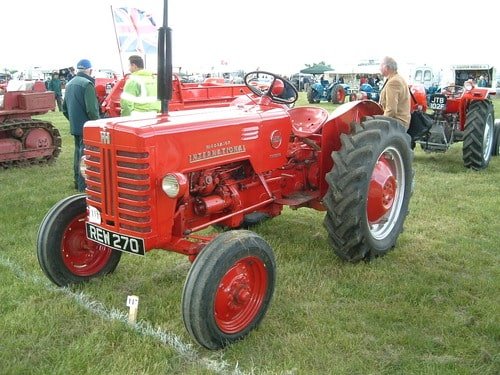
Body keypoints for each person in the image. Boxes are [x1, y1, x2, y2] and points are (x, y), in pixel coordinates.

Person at [62, 59, 99, 192]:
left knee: (77, 154)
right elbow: (92, 110)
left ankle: (77, 181)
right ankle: (84, 185)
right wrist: (97, 123)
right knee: (85, 156)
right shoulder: (87, 84)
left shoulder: (69, 84)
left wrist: (73, 120)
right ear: (90, 70)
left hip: (76, 126)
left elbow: (64, 108)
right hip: (87, 127)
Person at [379, 56, 411, 127]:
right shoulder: (397, 78)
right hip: (401, 121)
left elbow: (391, 109)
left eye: (381, 66)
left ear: (386, 67)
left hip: (398, 122)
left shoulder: (393, 82)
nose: (379, 68)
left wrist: (380, 123)